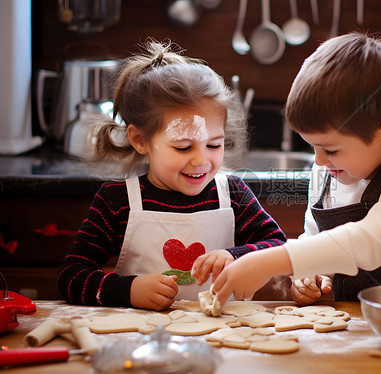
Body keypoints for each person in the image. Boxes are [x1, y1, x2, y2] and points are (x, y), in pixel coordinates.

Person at [204, 32, 381, 306]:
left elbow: (368, 240)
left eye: (332, 150)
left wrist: (268, 262)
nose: (320, 161)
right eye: (312, 147)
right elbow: (315, 240)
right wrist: (308, 275)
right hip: (353, 322)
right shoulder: (330, 171)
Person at [57, 39, 286, 311]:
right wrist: (127, 290)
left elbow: (278, 246)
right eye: (183, 146)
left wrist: (235, 255)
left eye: (214, 144)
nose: (201, 160)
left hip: (221, 340)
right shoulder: (117, 201)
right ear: (140, 140)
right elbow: (70, 276)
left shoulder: (232, 194)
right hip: (142, 343)